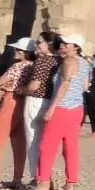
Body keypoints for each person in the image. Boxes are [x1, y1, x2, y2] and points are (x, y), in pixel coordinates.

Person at [28, 33, 92, 190]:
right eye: (62, 42)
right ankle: (70, 182)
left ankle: (43, 182)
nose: (62, 45)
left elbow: (64, 85)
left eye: (67, 43)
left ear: (76, 47)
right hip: (77, 108)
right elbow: (84, 86)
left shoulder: (69, 61)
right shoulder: (85, 63)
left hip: (62, 108)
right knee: (71, 147)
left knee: (47, 146)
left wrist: (51, 108)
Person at [0, 38, 34, 190]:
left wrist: (6, 85)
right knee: (19, 141)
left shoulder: (18, 66)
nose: (15, 52)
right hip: (24, 102)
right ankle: (17, 178)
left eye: (18, 50)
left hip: (11, 100)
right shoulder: (33, 66)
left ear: (25, 53)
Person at [20, 34, 60, 178]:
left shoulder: (42, 61)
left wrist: (21, 90)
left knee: (33, 140)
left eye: (39, 42)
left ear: (48, 43)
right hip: (50, 101)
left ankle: (37, 177)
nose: (36, 45)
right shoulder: (58, 60)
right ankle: (46, 174)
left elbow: (34, 85)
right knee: (46, 142)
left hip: (36, 100)